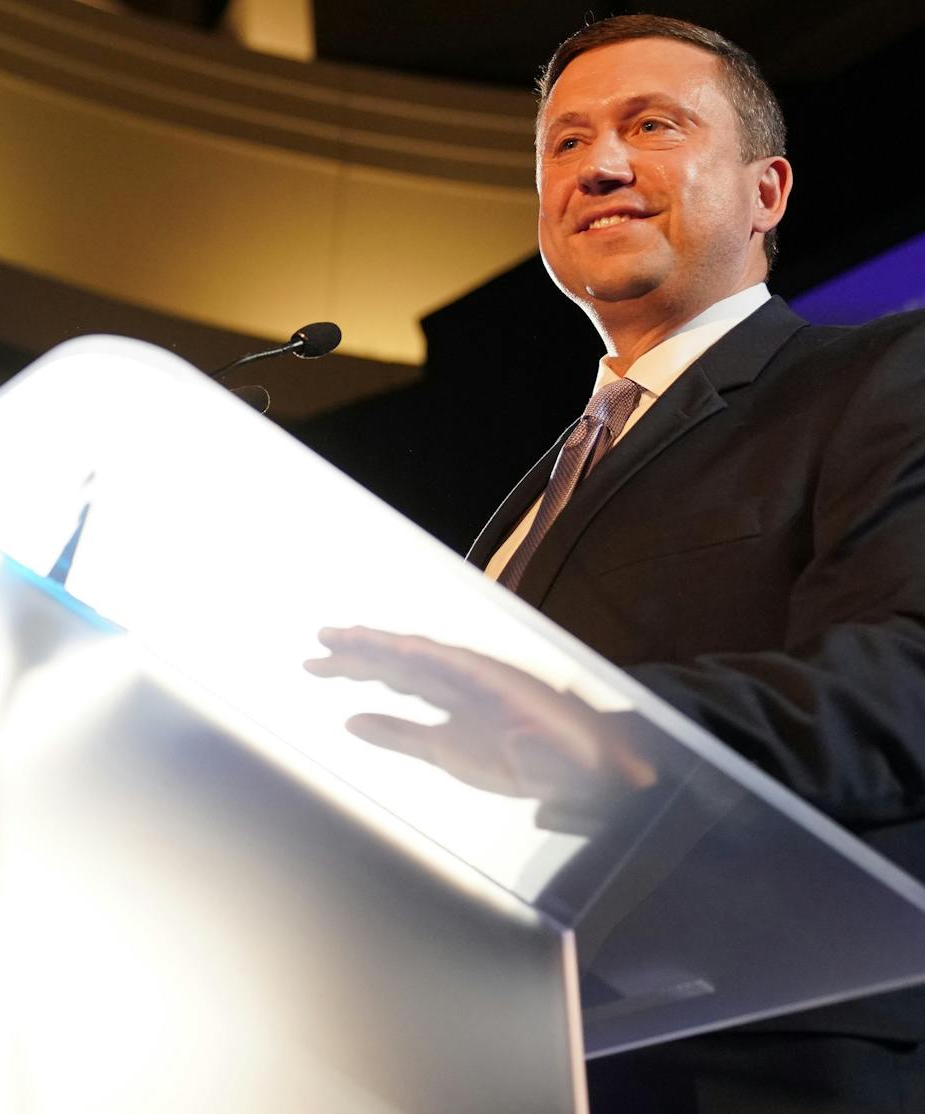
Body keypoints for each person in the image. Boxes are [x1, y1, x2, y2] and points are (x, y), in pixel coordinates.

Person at [311, 15, 925, 1112]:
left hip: (760, 1056)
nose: (595, 164)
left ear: (765, 192)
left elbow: (904, 680)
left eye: (651, 126)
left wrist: (611, 729)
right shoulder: (530, 496)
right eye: (562, 143)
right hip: (499, 1048)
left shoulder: (886, 373)